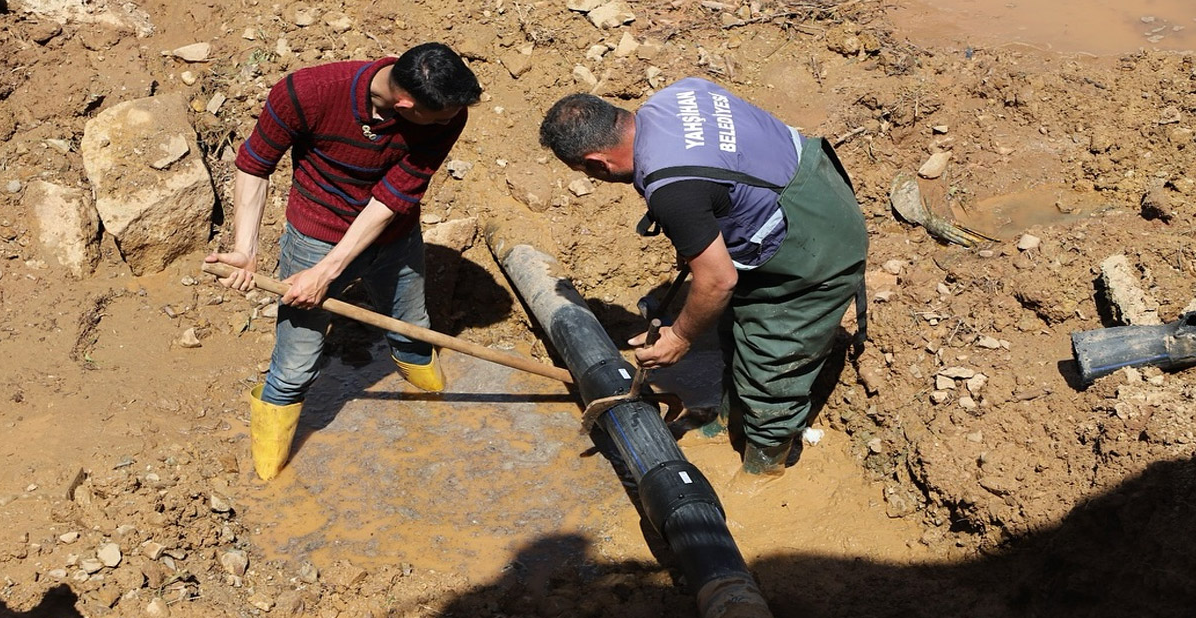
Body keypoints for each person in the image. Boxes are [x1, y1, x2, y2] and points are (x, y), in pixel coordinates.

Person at [539, 77, 868, 478]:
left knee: (773, 358)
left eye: (588, 173)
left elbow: (717, 281)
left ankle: (765, 466)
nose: (594, 179)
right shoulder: (676, 96)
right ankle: (729, 420)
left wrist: (679, 337)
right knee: (734, 328)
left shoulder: (674, 188)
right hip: (810, 186)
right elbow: (724, 174)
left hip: (816, 245)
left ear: (596, 162)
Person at [205, 42, 482, 480]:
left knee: (410, 326)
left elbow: (392, 197)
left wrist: (328, 273)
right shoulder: (306, 93)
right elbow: (255, 164)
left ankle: (431, 404)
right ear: (405, 103)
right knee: (297, 359)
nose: (452, 122)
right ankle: (270, 473)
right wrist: (246, 249)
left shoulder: (449, 115)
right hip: (314, 235)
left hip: (393, 233)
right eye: (442, 116)